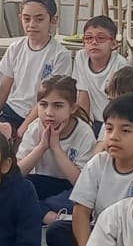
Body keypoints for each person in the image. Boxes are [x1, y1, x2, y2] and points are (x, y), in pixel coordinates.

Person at [47, 95, 133, 246]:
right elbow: (81, 211)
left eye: (125, 131)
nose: (114, 137)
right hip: (101, 237)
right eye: (109, 129)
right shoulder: (98, 162)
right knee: (56, 232)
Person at [0, 0, 71, 134]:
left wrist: (22, 130)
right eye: (26, 19)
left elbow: (49, 96)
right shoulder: (15, 48)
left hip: (42, 115)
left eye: (39, 19)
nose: (31, 25)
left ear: (53, 20)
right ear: (20, 18)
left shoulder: (60, 55)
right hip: (12, 111)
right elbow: (3, 90)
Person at [16, 75, 96, 224]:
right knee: (12, 187)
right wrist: (42, 147)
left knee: (82, 201)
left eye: (58, 106)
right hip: (44, 182)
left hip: (70, 187)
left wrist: (56, 148)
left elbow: (81, 184)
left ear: (72, 108)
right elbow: (17, 173)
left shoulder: (84, 133)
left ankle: (42, 213)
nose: (49, 112)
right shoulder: (35, 128)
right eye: (43, 105)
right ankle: (52, 216)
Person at [73, 15, 128, 133]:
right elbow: (83, 94)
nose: (94, 42)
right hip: (96, 122)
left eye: (101, 38)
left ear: (113, 44)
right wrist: (82, 129)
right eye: (88, 38)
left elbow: (118, 103)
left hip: (116, 121)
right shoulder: (81, 57)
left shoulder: (120, 64)